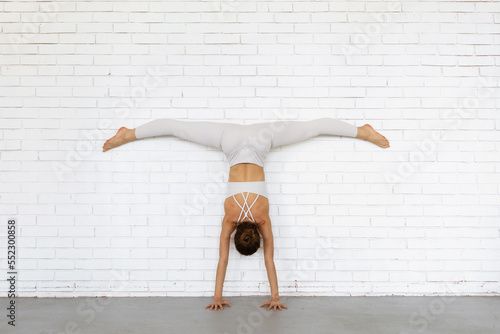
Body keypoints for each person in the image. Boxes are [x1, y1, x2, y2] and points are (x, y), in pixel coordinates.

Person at [102, 118, 390, 311]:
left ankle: (363, 130)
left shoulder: (263, 219)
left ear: (254, 235)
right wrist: (217, 296)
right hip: (230, 140)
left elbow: (269, 260)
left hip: (262, 140)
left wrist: (275, 297)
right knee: (179, 127)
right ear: (237, 234)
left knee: (311, 128)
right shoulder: (229, 218)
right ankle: (128, 134)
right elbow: (223, 259)